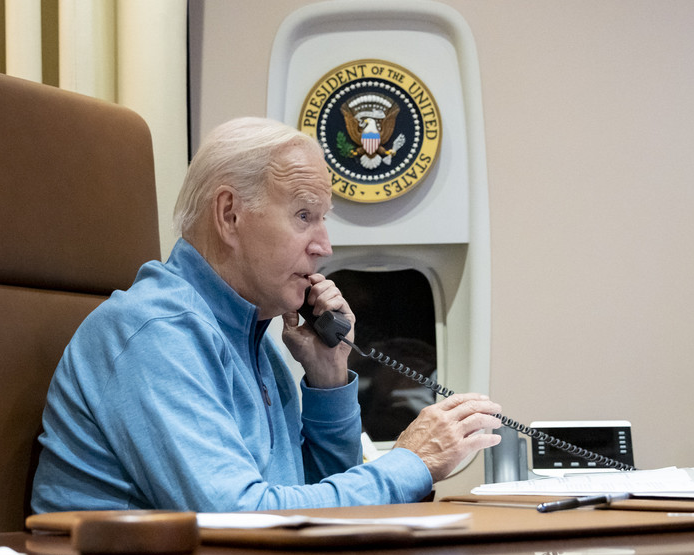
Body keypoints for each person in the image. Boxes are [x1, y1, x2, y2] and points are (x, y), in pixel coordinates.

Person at [30, 117, 502, 513]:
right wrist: (411, 462)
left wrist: (329, 380)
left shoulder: (256, 342)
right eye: (304, 216)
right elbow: (240, 518)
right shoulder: (156, 332)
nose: (325, 246)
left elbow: (322, 507)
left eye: (323, 219)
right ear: (230, 214)